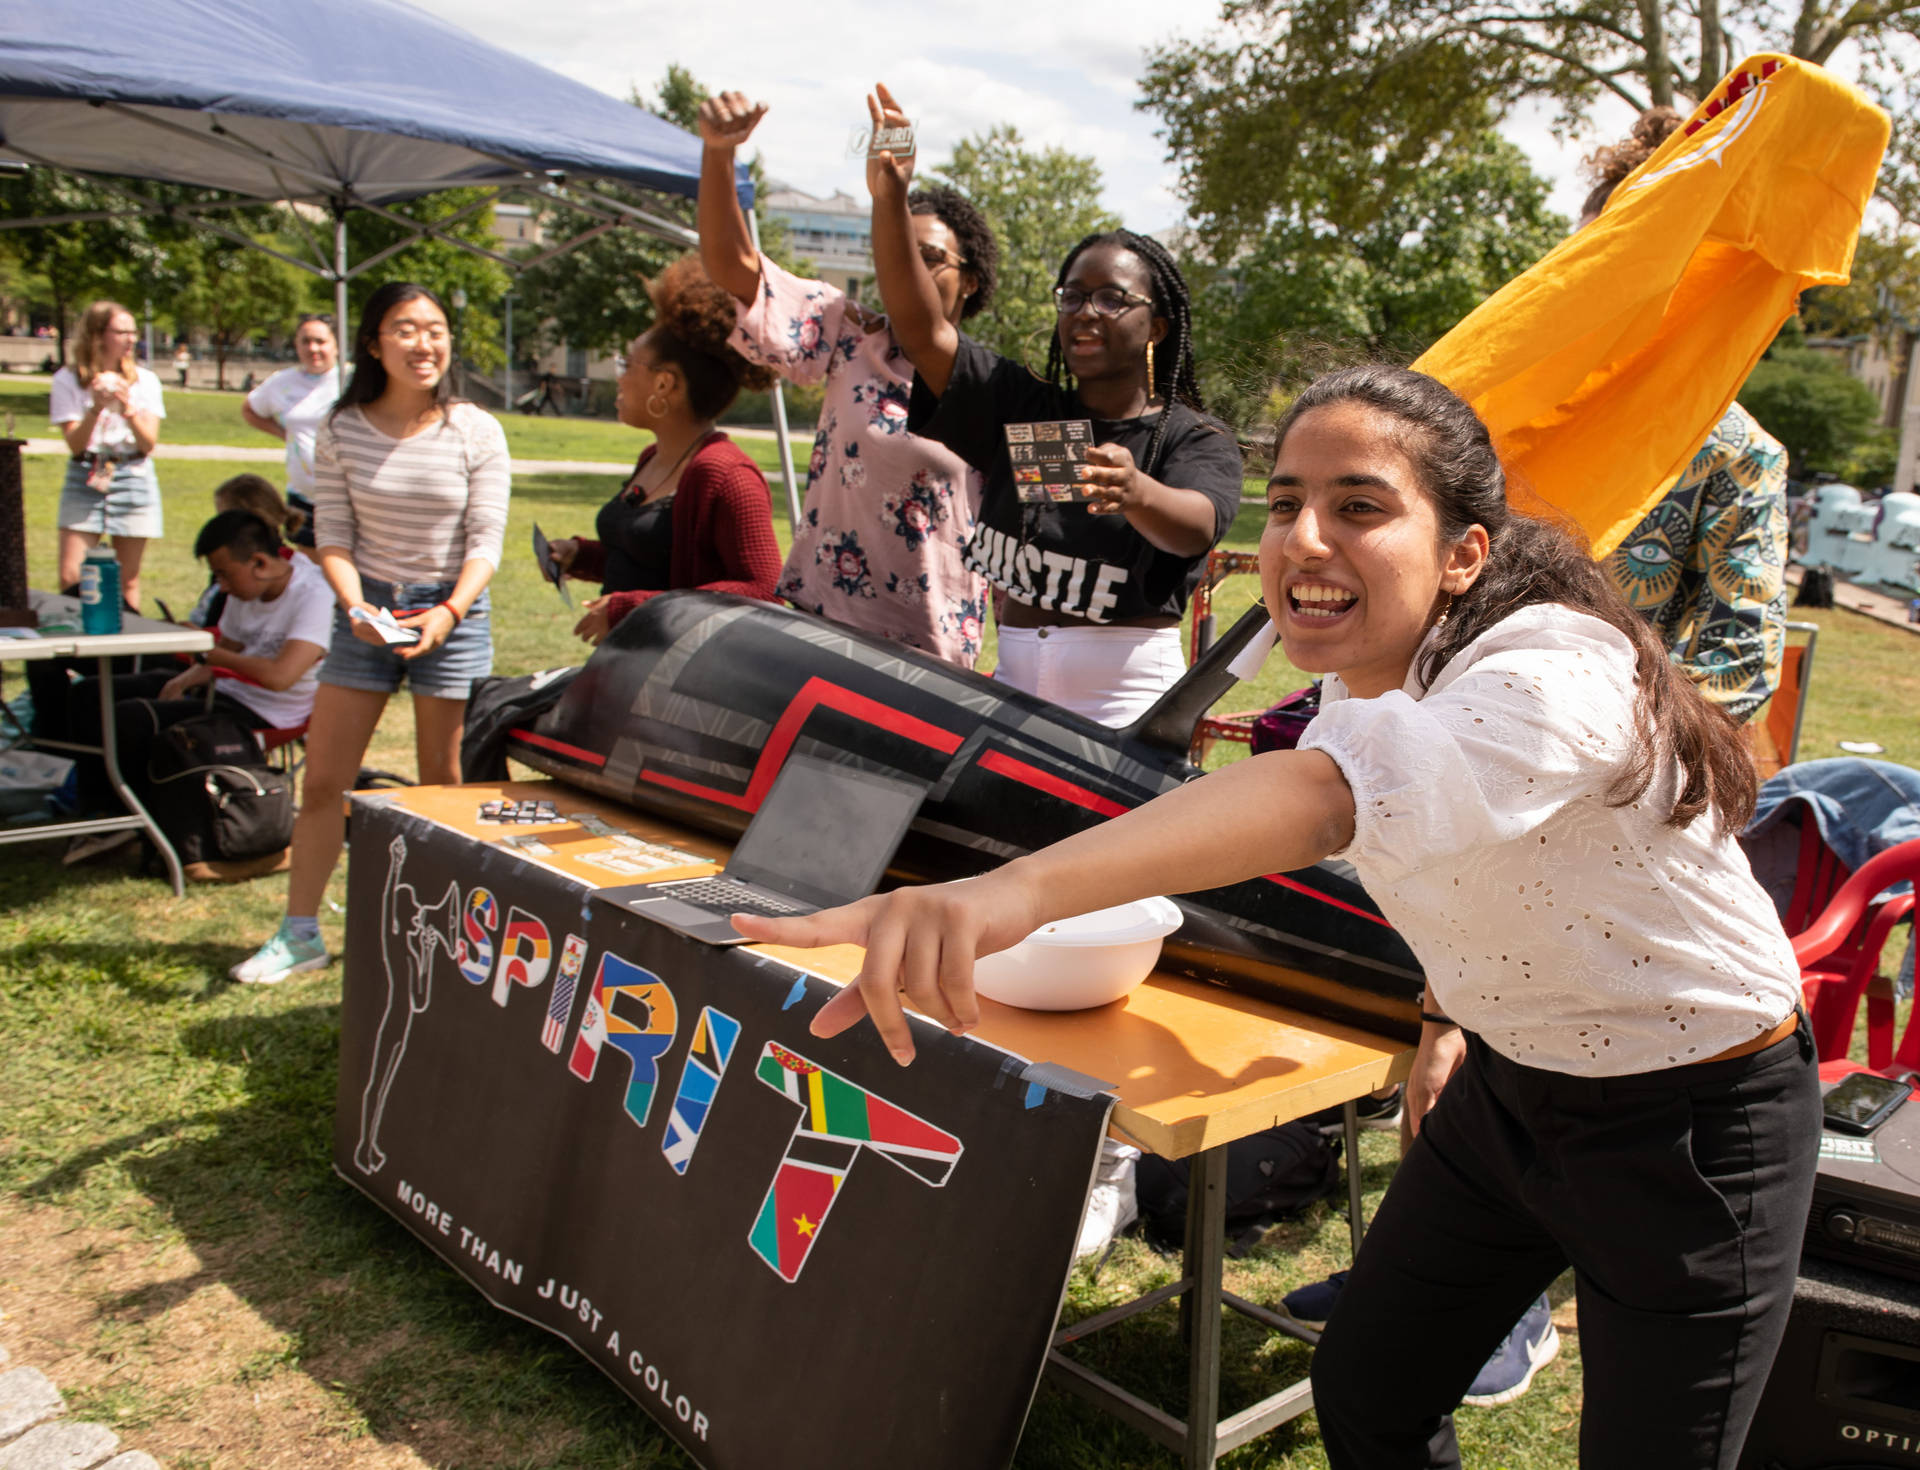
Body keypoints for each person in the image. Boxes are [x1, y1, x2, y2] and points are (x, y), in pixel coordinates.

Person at [741, 366, 1815, 1470]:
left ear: (1465, 554)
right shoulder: (1371, 673)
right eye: (1286, 501)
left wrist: (1005, 895)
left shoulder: (1555, 669)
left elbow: (1329, 795)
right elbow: (1477, 848)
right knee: (1366, 1393)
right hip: (1511, 1086)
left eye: (1359, 506)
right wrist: (1448, 1014)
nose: (1304, 537)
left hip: (1694, 1122)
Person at [864, 85, 1244, 725]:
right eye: (1072, 296)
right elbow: (921, 328)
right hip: (1011, 681)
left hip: (1126, 701)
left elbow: (1198, 525)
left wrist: (1136, 492)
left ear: (1156, 327)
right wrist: (890, 201)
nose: (1084, 313)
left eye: (1110, 298)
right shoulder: (1024, 410)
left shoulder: (1191, 438)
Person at [231, 282, 509, 986]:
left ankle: (452, 937)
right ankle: (300, 935)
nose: (425, 343)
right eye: (406, 328)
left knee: (443, 786)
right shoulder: (341, 426)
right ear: (373, 342)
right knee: (324, 781)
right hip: (363, 614)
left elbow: (486, 542)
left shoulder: (476, 428)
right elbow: (334, 536)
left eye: (437, 329)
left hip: (453, 613)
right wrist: (356, 606)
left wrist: (446, 613)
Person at [699, 88, 997, 670]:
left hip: (931, 658)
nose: (907, 264)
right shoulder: (847, 333)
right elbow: (734, 268)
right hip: (820, 630)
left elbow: (1049, 526)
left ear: (972, 281)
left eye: (929, 255)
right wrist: (717, 156)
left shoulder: (998, 388)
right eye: (895, 248)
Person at [1581, 109, 1791, 725]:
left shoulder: (1735, 449)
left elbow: (1737, 661)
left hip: (1603, 772)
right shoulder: (1500, 406)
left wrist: (1580, 745)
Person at [59, 509, 333, 857]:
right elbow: (230, 646)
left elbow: (280, 677)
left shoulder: (314, 595)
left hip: (270, 712)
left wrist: (207, 653)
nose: (221, 586)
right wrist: (189, 675)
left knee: (129, 719)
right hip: (228, 689)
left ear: (260, 563)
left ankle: (138, 821)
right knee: (89, 693)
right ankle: (100, 809)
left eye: (224, 574)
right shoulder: (248, 587)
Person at [545, 256, 782, 644]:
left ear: (665, 385)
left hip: (680, 685)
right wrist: (580, 556)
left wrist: (632, 609)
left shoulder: (727, 476)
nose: (619, 376)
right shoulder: (653, 457)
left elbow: (764, 590)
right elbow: (650, 561)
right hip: (629, 667)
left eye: (627, 363)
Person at [51, 300, 166, 610]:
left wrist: (129, 411)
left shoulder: (145, 381)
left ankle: (124, 656)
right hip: (85, 475)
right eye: (122, 332)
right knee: (72, 577)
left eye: (133, 332)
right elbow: (75, 445)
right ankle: (79, 652)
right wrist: (96, 407)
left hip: (133, 475)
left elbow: (148, 443)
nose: (131, 339)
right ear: (97, 334)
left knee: (127, 580)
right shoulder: (68, 379)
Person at [241, 313, 341, 549]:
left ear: (336, 344)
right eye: (305, 341)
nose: (313, 348)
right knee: (310, 572)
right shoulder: (283, 383)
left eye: (321, 341)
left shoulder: (351, 380)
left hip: (345, 498)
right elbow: (250, 410)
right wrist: (285, 434)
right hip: (303, 497)